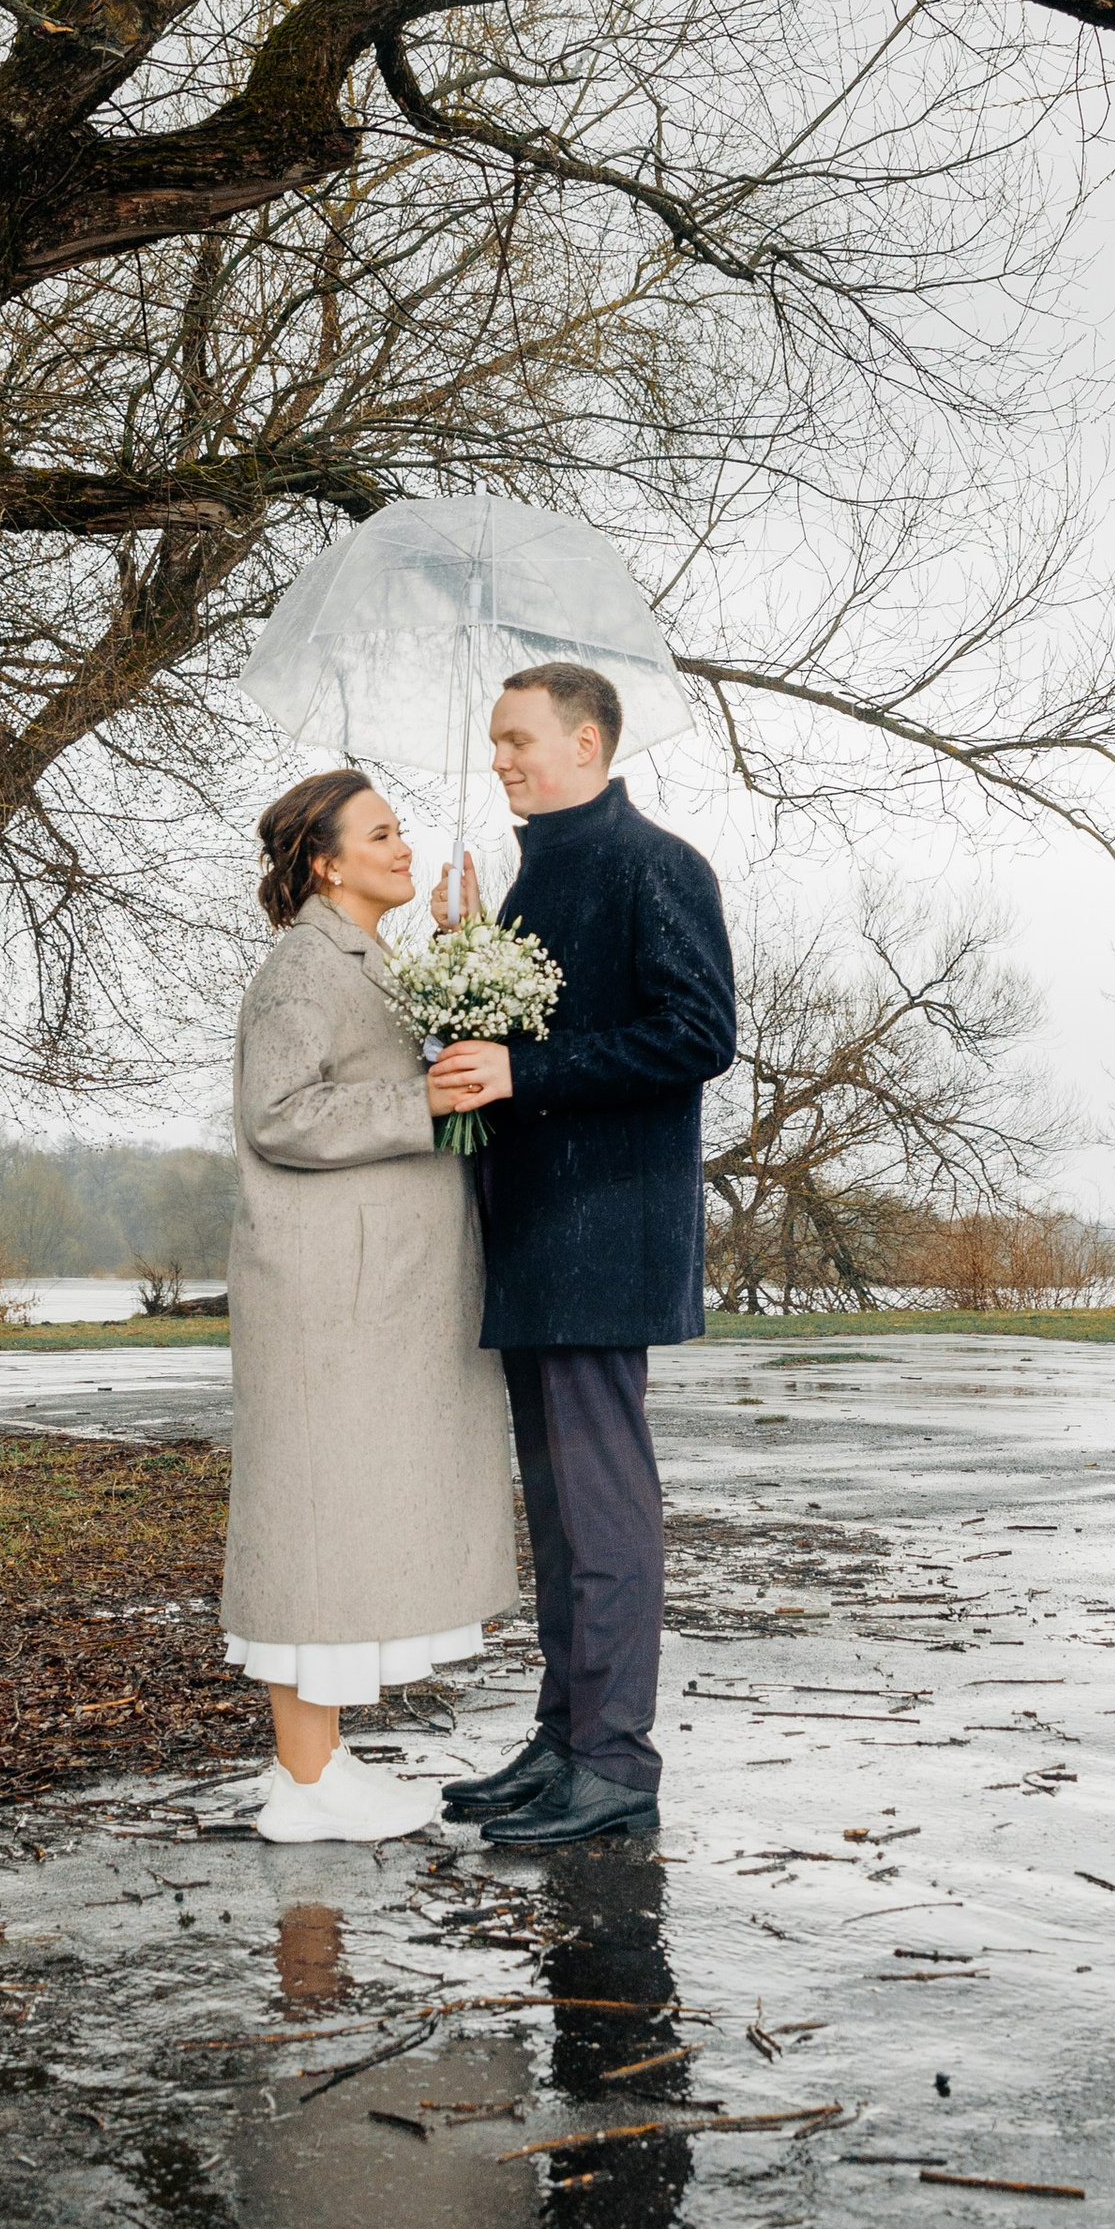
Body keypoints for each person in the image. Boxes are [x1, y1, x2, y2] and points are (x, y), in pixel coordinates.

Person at [429, 662, 737, 1846]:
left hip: (603, 1236)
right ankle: (564, 1738)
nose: (500, 756)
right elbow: (523, 1038)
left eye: (518, 738)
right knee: (556, 1512)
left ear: (587, 744)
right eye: (495, 739)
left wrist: (523, 1067)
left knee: (602, 1510)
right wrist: (463, 959)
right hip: (531, 1234)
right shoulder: (531, 878)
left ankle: (615, 1759)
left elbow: (696, 1033)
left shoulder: (653, 863)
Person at [223, 768, 518, 1844]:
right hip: (324, 1301)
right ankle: (302, 1781)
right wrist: (418, 1101)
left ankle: (321, 1765)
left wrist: (465, 946)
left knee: (341, 1527)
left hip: (370, 1297)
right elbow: (279, 1115)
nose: (406, 848)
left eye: (401, 831)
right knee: (312, 1528)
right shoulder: (303, 967)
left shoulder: (367, 959)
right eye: (382, 834)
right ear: (324, 860)